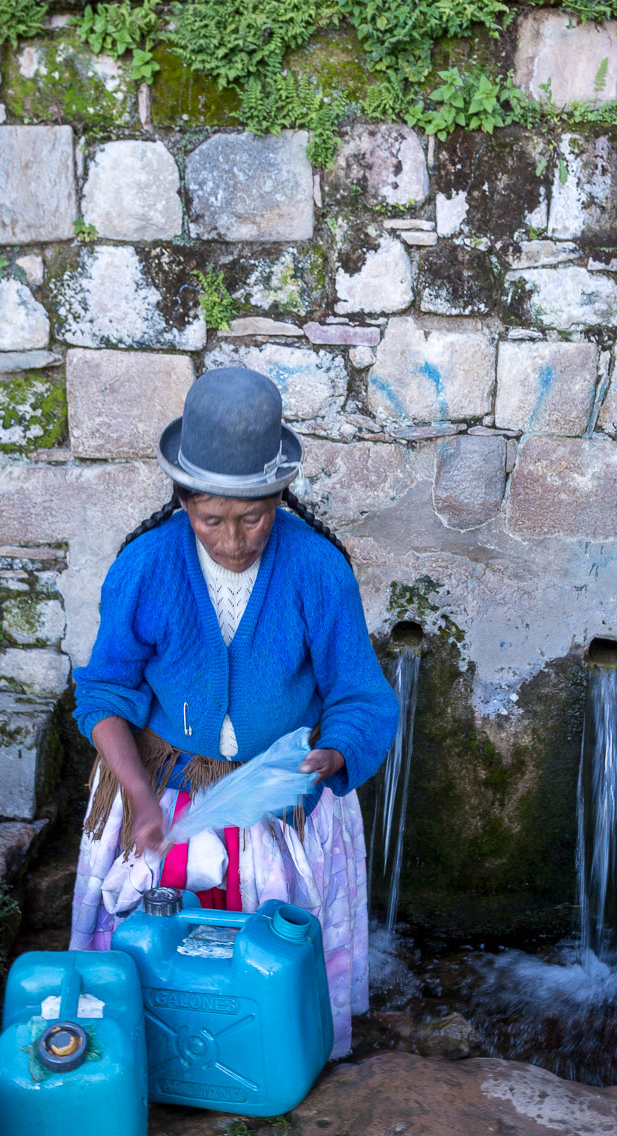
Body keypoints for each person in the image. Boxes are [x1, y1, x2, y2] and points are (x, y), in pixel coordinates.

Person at [68, 367, 399, 1057]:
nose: (234, 538)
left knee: (265, 974)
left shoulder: (317, 570)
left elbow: (360, 695)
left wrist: (334, 752)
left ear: (279, 497)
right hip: (161, 793)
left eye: (253, 517)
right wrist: (136, 795)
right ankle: (154, 1058)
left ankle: (271, 1063)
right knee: (157, 961)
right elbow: (104, 693)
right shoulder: (146, 566)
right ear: (182, 499)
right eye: (211, 518)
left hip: (282, 797)